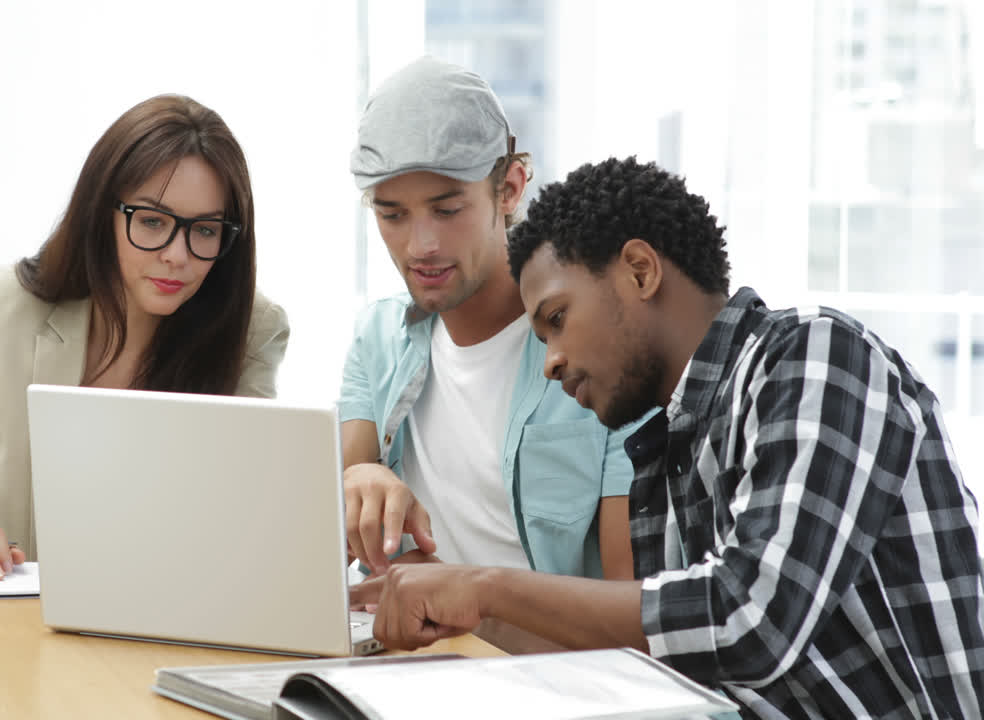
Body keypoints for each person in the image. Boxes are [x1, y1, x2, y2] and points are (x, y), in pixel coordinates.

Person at [351, 156, 984, 717]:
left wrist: (484, 587)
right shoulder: (668, 447)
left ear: (639, 270)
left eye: (558, 320)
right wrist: (457, 610)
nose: (550, 361)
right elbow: (658, 672)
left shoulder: (816, 354)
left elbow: (748, 621)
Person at [0, 95, 290, 581]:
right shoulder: (4, 307)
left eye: (205, 230)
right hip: (23, 624)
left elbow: (246, 512)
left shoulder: (252, 330)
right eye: (152, 221)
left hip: (174, 613)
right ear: (103, 212)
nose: (177, 255)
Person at [341, 57, 641, 650]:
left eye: (447, 209)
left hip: (554, 687)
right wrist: (358, 477)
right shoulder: (377, 340)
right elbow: (337, 530)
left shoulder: (602, 357)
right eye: (391, 214)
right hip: (413, 672)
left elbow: (632, 633)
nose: (420, 245)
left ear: (508, 189)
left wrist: (470, 606)